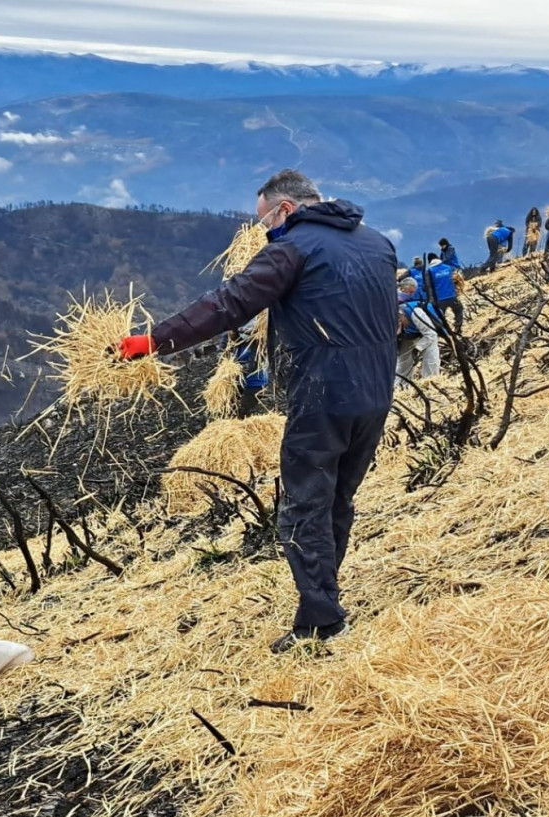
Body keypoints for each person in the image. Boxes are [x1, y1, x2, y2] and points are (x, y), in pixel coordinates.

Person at [116, 169, 398, 653]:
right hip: (377, 391)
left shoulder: (292, 248)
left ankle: (322, 622)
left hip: (323, 392)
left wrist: (154, 340)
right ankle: (323, 602)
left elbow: (229, 304)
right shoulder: (377, 243)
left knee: (304, 506)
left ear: (285, 208)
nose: (263, 228)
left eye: (264, 218)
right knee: (338, 500)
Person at [395, 278, 442, 388]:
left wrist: (417, 349)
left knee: (430, 356)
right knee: (403, 360)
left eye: (400, 323)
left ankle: (431, 384)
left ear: (401, 316)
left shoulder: (416, 312)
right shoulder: (394, 315)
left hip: (430, 329)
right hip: (411, 331)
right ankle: (400, 386)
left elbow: (431, 334)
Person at [427, 257, 464, 334]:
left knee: (440, 316)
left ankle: (444, 331)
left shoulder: (430, 271)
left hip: (440, 298)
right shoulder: (448, 267)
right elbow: (456, 278)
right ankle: (458, 328)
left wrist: (431, 299)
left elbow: (428, 286)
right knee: (459, 310)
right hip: (452, 295)